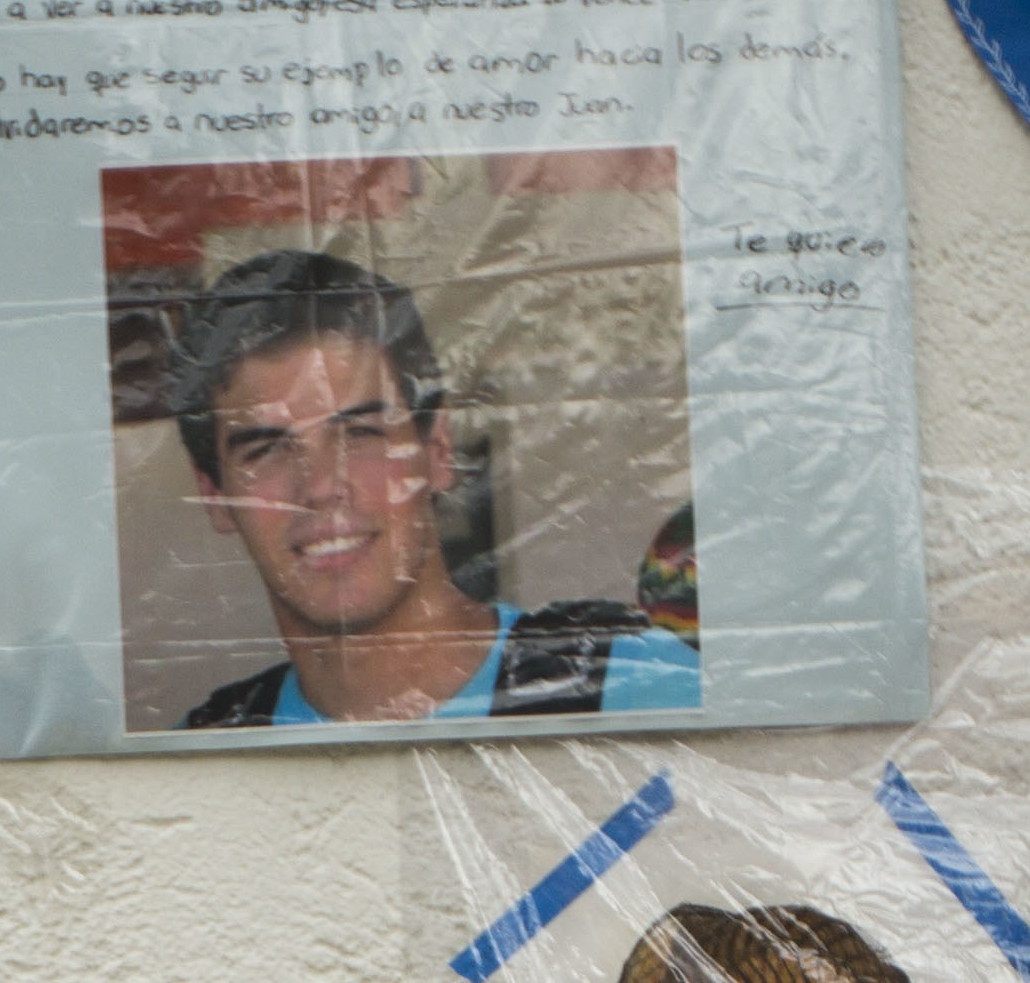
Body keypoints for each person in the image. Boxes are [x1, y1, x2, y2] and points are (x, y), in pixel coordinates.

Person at [154, 249, 699, 730]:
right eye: (268, 449)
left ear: (438, 450)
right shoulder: (205, 757)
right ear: (215, 495)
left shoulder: (637, 691)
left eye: (361, 433)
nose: (320, 487)